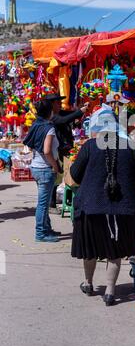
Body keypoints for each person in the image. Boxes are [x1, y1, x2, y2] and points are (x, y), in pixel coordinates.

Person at [70, 105, 135, 306]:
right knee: (114, 251)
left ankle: (88, 283)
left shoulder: (89, 146)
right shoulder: (131, 146)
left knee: (90, 248)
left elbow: (75, 174)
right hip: (122, 210)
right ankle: (110, 292)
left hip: (91, 208)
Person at [43, 93, 89, 212]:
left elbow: (69, 116)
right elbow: (64, 120)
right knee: (58, 175)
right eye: (57, 102)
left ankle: (62, 201)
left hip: (65, 147)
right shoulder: (52, 116)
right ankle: (51, 203)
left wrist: (81, 110)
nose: (59, 104)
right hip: (59, 149)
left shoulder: (60, 113)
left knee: (64, 175)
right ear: (51, 105)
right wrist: (79, 112)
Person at [24, 100, 62, 242]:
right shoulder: (48, 128)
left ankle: (47, 229)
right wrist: (55, 166)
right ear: (49, 112)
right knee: (43, 204)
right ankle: (40, 233)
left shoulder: (36, 125)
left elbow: (33, 145)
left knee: (43, 202)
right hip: (45, 169)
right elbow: (47, 151)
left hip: (36, 167)